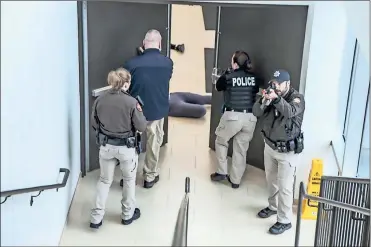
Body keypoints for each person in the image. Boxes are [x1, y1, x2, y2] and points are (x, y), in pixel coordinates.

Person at [90, 68, 147, 229]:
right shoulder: (131, 102)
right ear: (126, 83)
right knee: (129, 180)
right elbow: (141, 126)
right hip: (126, 149)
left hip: (106, 147)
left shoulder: (100, 100)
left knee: (104, 180)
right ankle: (127, 215)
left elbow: (94, 124)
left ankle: (96, 217)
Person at [252, 69, 305, 235]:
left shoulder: (297, 99)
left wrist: (276, 99)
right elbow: (256, 112)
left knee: (285, 187)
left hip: (287, 152)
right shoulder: (272, 95)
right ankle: (273, 207)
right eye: (273, 83)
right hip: (270, 147)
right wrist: (264, 101)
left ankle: (285, 220)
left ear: (287, 84)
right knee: (271, 180)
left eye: (278, 84)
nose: (275, 86)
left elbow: (289, 111)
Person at [124, 29, 173, 189]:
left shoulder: (131, 64)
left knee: (131, 145)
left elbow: (125, 85)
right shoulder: (168, 63)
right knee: (154, 144)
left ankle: (128, 176)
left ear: (144, 44)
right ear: (159, 44)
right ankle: (149, 177)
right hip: (157, 112)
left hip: (135, 112)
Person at [210, 51, 259, 189]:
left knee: (221, 141)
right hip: (250, 118)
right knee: (241, 149)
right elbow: (254, 90)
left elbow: (218, 86)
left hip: (233, 116)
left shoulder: (229, 77)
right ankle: (235, 180)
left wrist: (226, 73)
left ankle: (221, 172)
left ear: (235, 63)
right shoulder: (254, 78)